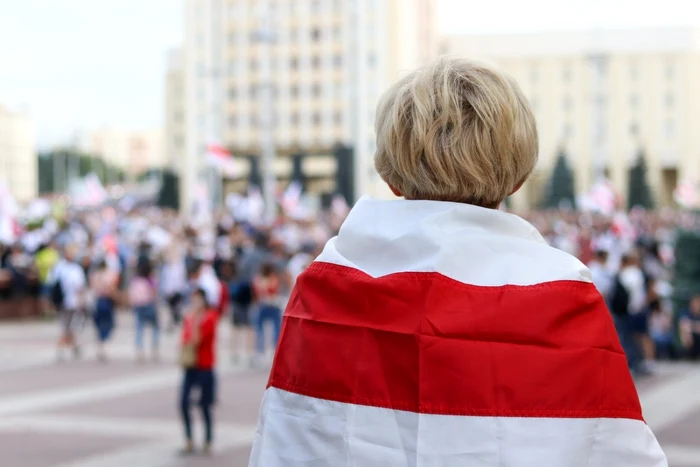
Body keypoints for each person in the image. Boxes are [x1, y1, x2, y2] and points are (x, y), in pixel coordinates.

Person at [248, 58, 666, 466]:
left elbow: (291, 437)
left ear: (390, 177)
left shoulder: (326, 284)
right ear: (518, 177)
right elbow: (611, 446)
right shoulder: (563, 292)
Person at [179, 288, 218, 455]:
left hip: (205, 366)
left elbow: (197, 340)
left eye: (197, 300)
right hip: (191, 366)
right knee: (183, 402)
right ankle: (189, 439)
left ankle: (208, 440)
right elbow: (185, 340)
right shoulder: (189, 318)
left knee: (204, 405)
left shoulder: (210, 317)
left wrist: (194, 321)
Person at [50, 244, 87, 360]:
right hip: (64, 302)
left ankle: (74, 346)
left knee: (71, 326)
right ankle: (64, 348)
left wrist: (81, 301)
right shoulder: (61, 268)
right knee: (67, 326)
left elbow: (80, 287)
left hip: (73, 302)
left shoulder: (75, 269)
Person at [252, 262, 282, 364]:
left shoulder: (260, 279)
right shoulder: (272, 278)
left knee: (265, 330)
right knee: (273, 329)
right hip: (269, 304)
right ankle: (267, 351)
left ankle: (263, 352)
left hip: (265, 304)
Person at [129, 262, 159, 362]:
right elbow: (154, 293)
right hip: (149, 305)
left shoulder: (135, 280)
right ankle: (154, 348)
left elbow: (132, 293)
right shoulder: (150, 280)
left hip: (138, 306)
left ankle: (140, 350)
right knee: (155, 327)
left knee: (140, 328)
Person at [90, 259, 118, 361]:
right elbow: (111, 289)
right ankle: (103, 342)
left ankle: (101, 343)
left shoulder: (95, 276)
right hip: (105, 301)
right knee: (108, 323)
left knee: (99, 323)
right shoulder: (108, 276)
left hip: (97, 301)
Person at [680, 294, 700, 360]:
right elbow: (684, 325)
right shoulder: (686, 312)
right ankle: (689, 356)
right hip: (691, 338)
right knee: (687, 334)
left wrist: (691, 326)